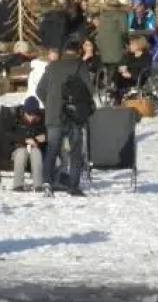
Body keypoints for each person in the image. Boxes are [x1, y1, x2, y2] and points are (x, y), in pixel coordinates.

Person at [35, 40, 94, 195]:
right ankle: (73, 186)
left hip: (54, 115)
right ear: (78, 51)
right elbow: (89, 90)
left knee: (52, 150)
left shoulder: (53, 67)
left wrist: (51, 105)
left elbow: (40, 89)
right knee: (75, 151)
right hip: (74, 115)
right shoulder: (81, 66)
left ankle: (47, 182)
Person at [7, 97, 48, 190]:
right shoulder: (17, 119)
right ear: (24, 112)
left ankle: (38, 185)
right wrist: (24, 140)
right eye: (29, 114)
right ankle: (18, 185)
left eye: (35, 114)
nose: (32, 116)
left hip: (35, 148)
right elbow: (10, 134)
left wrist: (44, 138)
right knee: (21, 154)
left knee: (36, 154)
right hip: (19, 147)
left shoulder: (40, 121)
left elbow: (47, 133)